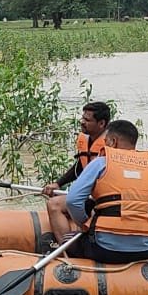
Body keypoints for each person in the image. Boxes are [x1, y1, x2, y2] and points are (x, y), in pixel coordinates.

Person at [59, 119, 148, 264]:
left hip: (102, 249)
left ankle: (79, 275)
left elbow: (73, 201)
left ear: (113, 141)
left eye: (105, 141)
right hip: (147, 250)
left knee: (67, 239)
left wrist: (85, 223)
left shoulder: (99, 164)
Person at [42, 102, 110, 241]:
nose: (82, 122)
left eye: (87, 120)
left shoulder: (112, 144)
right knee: (53, 204)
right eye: (82, 118)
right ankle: (68, 249)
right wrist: (58, 183)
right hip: (89, 197)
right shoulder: (85, 139)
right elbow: (80, 166)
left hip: (107, 199)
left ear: (101, 123)